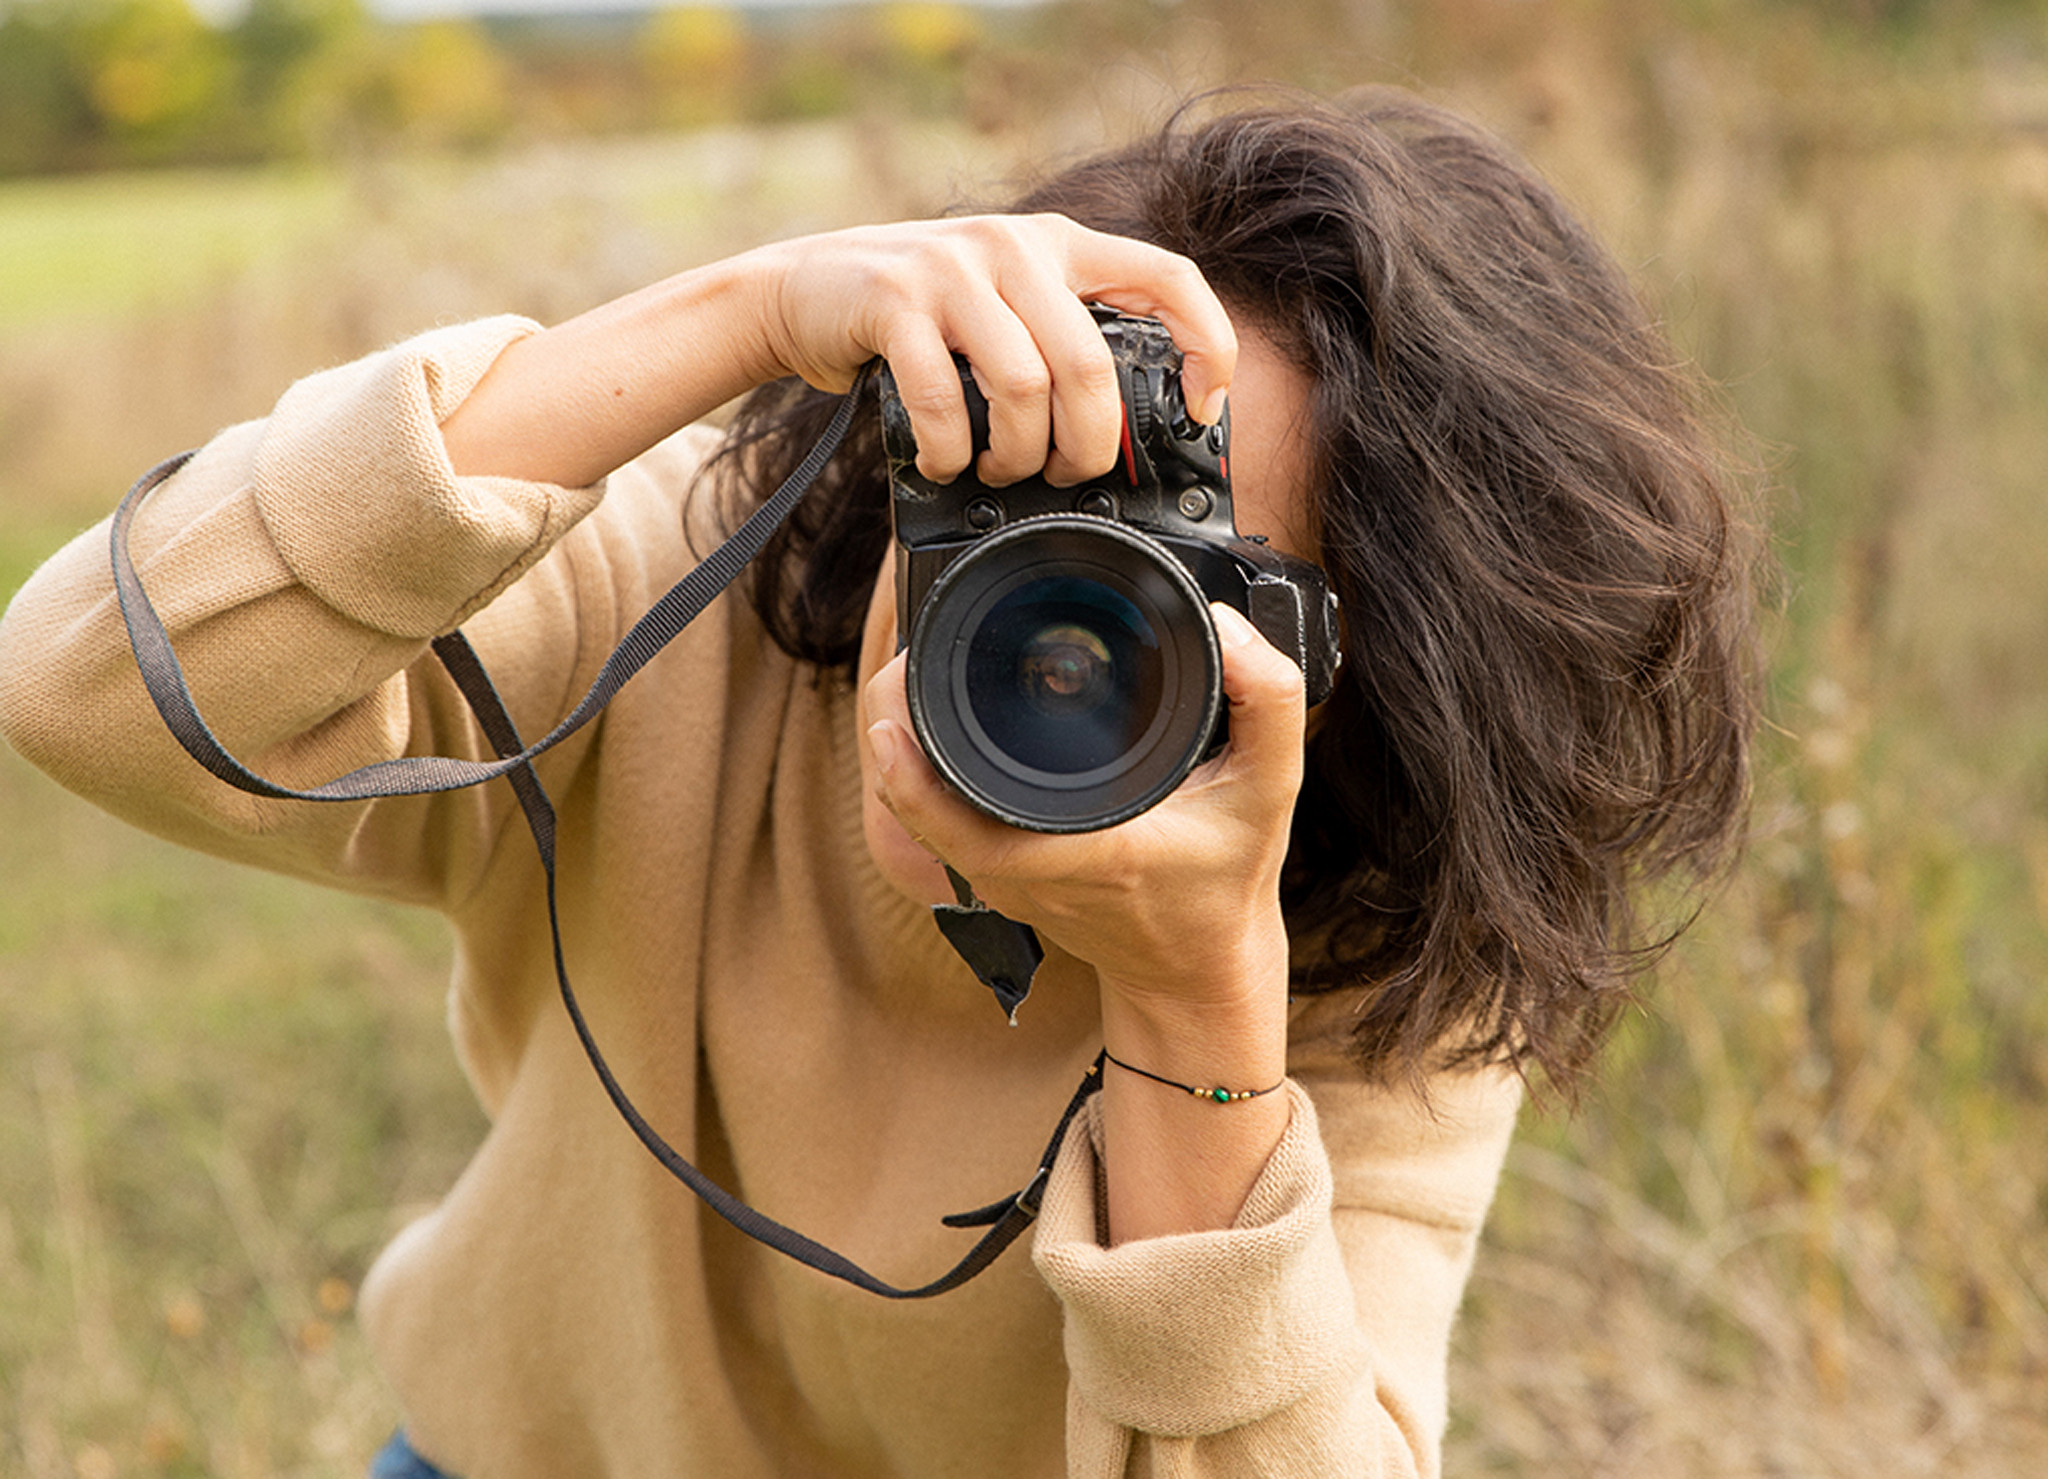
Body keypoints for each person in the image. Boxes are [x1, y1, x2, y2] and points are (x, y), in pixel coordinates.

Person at [0, 89, 1756, 1477]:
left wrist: (1196, 996)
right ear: (895, 460)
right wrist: (742, 309)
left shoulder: (1384, 933)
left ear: (1383, 676)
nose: (1055, 641)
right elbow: (93, 682)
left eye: (1186, 586)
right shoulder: (712, 611)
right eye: (1016, 511)